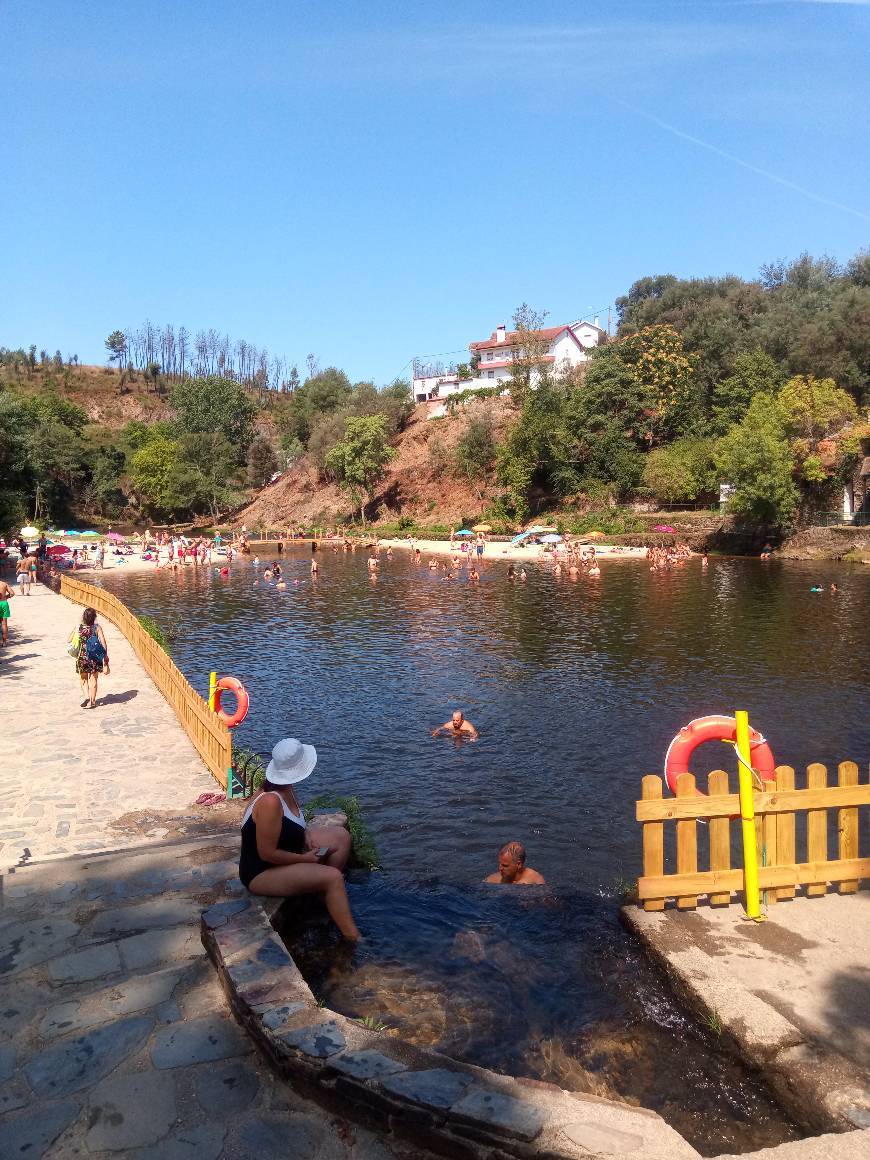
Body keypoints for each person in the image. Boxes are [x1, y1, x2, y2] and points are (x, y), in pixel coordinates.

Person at [238, 738, 359, 940]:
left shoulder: (286, 788)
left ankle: (323, 895)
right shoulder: (270, 801)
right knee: (333, 877)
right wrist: (306, 859)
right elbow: (266, 854)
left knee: (341, 837)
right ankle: (354, 938)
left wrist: (307, 835)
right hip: (261, 872)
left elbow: (293, 822)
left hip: (288, 851)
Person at [75, 606, 109, 708]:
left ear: (84, 617)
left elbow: (71, 641)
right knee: (94, 679)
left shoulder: (79, 628)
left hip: (82, 656)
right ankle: (93, 702)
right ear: (94, 617)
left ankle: (86, 696)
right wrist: (105, 658)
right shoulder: (97, 628)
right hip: (95, 657)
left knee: (83, 678)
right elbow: (103, 643)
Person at [0, 578, 13, 646]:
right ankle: (4, 642)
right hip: (4, 603)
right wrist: (6, 597)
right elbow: (12, 593)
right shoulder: (4, 584)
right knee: (4, 624)